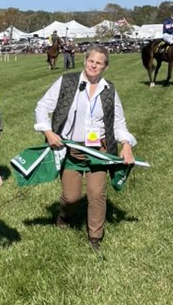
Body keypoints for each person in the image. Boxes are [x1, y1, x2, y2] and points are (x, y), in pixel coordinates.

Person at [34, 44, 136, 254]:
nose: (94, 65)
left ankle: (95, 238)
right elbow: (42, 107)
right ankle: (64, 216)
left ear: (105, 67)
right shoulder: (67, 82)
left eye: (99, 63)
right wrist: (47, 131)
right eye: (91, 61)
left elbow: (119, 123)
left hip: (98, 150)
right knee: (71, 197)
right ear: (85, 61)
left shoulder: (110, 91)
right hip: (70, 149)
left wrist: (126, 144)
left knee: (96, 194)